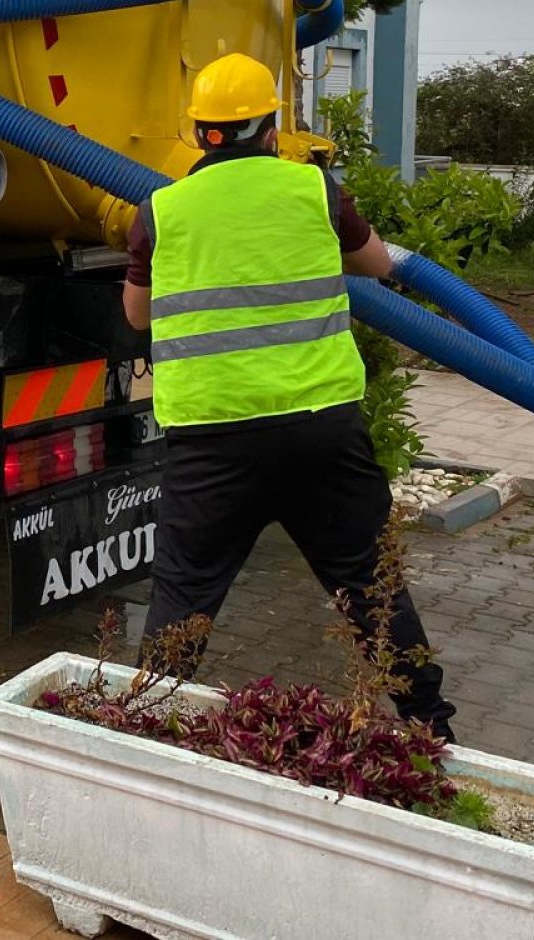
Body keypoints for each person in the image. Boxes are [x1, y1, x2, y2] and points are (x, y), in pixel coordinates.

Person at [120, 52, 456, 740]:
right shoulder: (314, 189)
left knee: (184, 593)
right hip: (319, 431)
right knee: (369, 584)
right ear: (272, 128)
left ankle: (148, 727)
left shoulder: (161, 210)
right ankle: (430, 726)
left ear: (199, 133)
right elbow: (377, 263)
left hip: (211, 440)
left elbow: (136, 315)